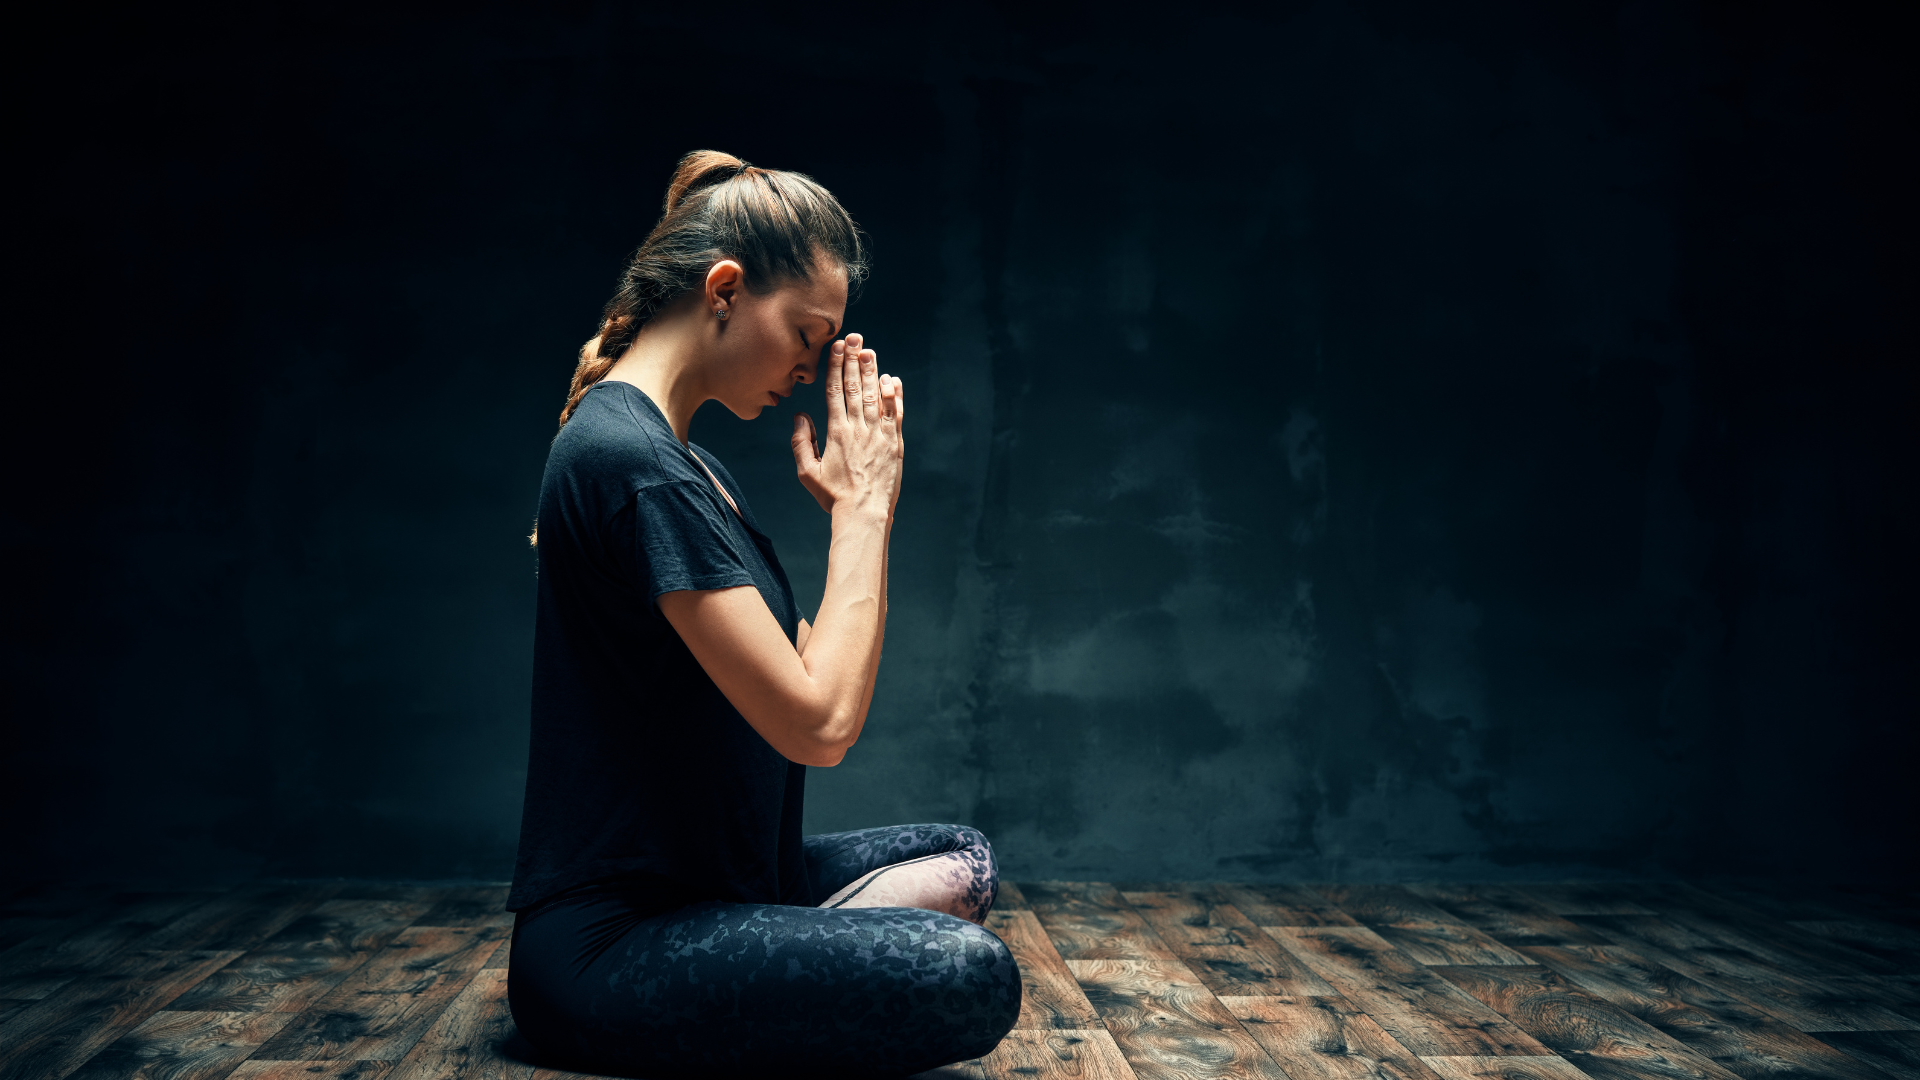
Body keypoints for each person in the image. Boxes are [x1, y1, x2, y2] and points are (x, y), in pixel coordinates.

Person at [504, 150, 1020, 1078]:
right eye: (806, 333)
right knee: (972, 976)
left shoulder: (690, 466)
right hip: (609, 944)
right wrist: (865, 515)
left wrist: (863, 522)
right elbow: (820, 729)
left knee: (963, 859)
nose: (810, 364)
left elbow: (809, 678)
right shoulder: (633, 463)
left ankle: (773, 953)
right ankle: (773, 961)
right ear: (727, 289)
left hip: (727, 883)